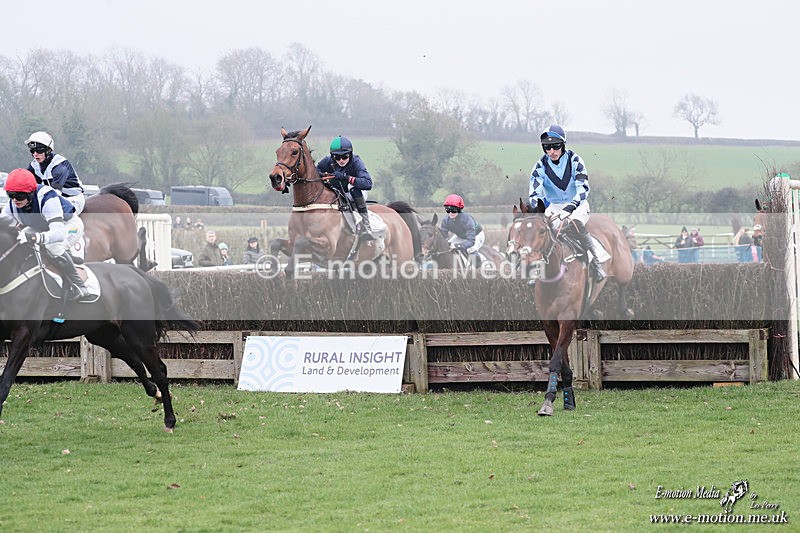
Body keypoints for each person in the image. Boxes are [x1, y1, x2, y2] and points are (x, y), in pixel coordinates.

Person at [528, 124, 606, 281]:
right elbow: (534, 193)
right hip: (554, 206)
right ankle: (535, 267)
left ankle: (596, 264)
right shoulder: (540, 166)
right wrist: (539, 207)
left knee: (576, 222)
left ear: (563, 144)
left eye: (555, 146)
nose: (552, 151)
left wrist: (570, 208)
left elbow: (583, 189)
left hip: (577, 204)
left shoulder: (575, 160)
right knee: (538, 229)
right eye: (547, 148)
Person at [2, 168, 92, 301]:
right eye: (11, 195)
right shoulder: (12, 204)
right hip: (41, 227)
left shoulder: (47, 197)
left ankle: (78, 284)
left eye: (20, 196)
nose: (15, 199)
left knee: (53, 247)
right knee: (21, 238)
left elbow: (59, 233)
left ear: (31, 193)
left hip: (68, 225)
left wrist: (35, 237)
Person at [316, 136, 374, 237]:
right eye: (337, 158)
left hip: (355, 193)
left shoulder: (356, 162)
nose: (341, 160)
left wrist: (346, 177)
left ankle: (366, 225)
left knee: (353, 188)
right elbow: (316, 171)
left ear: (350, 154)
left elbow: (368, 184)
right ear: (332, 156)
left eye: (345, 157)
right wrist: (321, 175)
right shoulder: (327, 161)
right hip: (337, 192)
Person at [24, 131, 87, 216]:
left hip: (72, 199)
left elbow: (55, 194)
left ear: (48, 150)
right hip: (55, 198)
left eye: (39, 150)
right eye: (32, 150)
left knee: (53, 210)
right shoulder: (34, 165)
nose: (35, 154)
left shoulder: (60, 166)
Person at [439, 194, 485, 264]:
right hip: (460, 236)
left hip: (476, 235)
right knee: (447, 247)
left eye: (453, 210)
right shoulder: (446, 220)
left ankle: (480, 268)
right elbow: (442, 237)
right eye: (448, 210)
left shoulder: (467, 220)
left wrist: (458, 246)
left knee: (470, 249)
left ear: (459, 209)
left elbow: (471, 241)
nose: (450, 213)